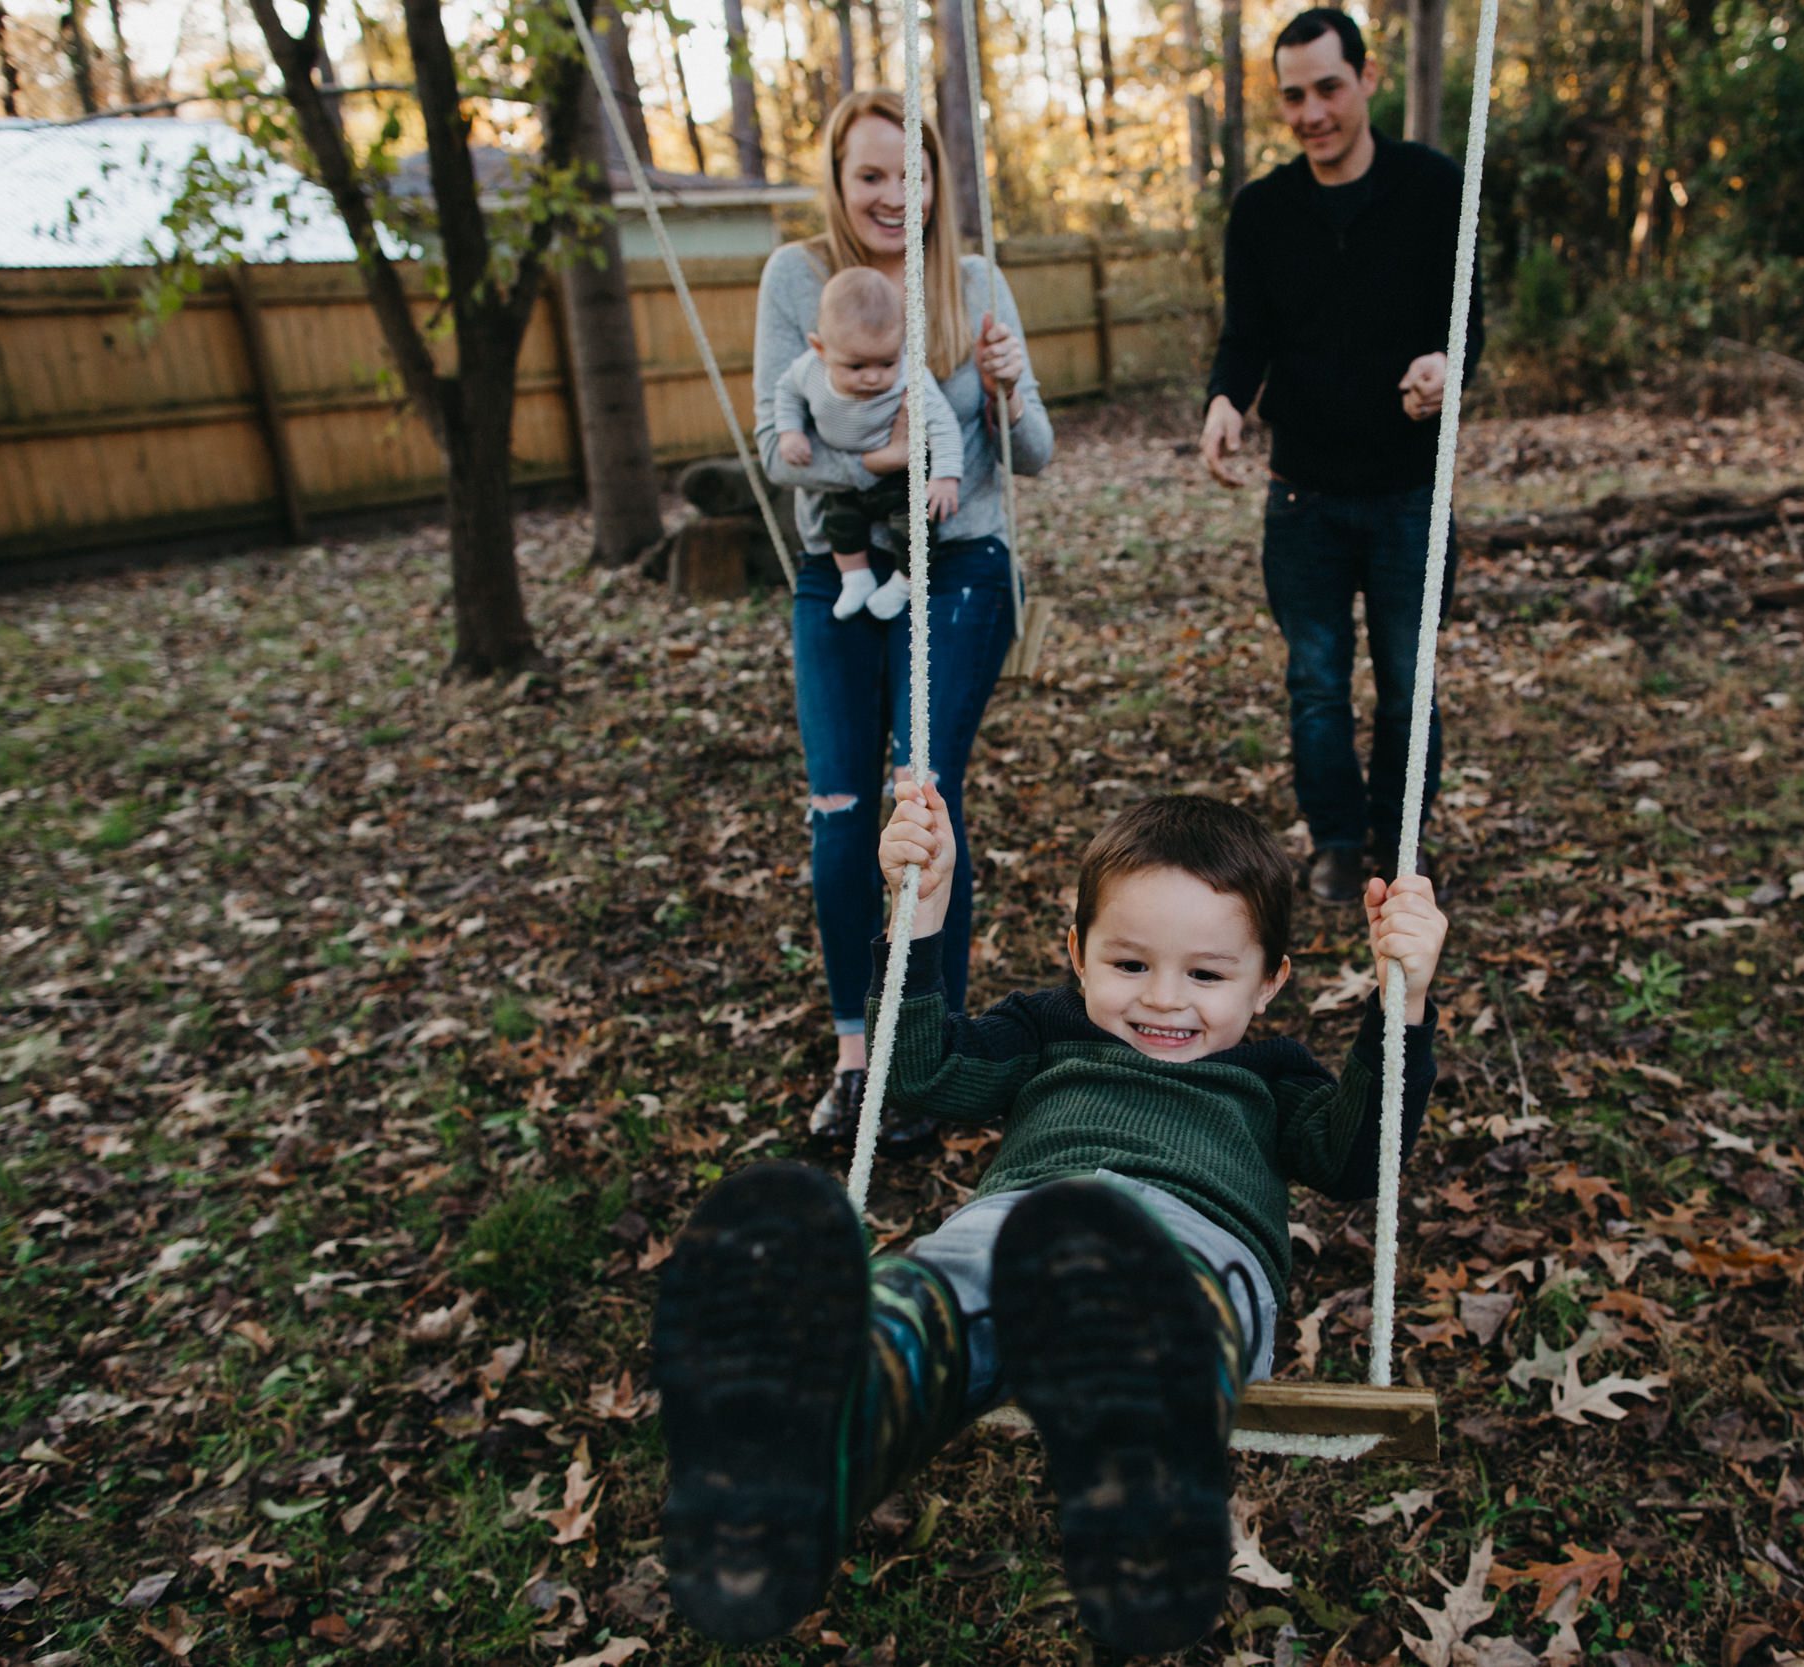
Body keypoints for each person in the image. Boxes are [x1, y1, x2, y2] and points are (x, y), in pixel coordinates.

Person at [653, 788, 1447, 1655]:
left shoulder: (1276, 1077)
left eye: (1209, 975)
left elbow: (1355, 1158)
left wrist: (1397, 1007)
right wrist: (920, 913)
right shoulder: (1046, 1029)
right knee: (959, 1274)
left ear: (1270, 984)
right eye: (1130, 964)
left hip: (1196, 1242)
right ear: (1078, 954)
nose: (1166, 1002)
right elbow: (917, 1072)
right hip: (1026, 1223)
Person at [745, 89, 1054, 1150]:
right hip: (840, 560)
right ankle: (855, 1053)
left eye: (910, 174)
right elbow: (775, 446)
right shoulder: (797, 278)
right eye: (870, 174)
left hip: (959, 552)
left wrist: (1008, 386)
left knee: (918, 790)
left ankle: (926, 1055)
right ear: (838, 182)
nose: (892, 195)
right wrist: (894, 457)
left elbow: (1035, 453)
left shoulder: (967, 282)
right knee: (838, 808)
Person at [1201, 6, 1484, 906]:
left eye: (1328, 87)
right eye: (1293, 96)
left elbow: (1465, 319)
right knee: (1316, 684)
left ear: (1367, 77)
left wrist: (1448, 366)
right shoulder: (1262, 212)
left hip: (1407, 492)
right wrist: (1223, 403)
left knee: (1407, 685)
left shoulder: (1434, 188)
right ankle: (1333, 840)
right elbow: (1245, 335)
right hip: (1304, 500)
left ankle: (1400, 842)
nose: (1312, 111)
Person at [773, 265, 966, 622]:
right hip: (846, 473)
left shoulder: (911, 377)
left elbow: (943, 425)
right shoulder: (806, 371)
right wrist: (790, 431)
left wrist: (945, 476)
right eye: (856, 366)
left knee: (916, 526)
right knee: (839, 522)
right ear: (820, 348)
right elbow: (784, 395)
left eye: (886, 362)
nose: (874, 376)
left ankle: (906, 582)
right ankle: (855, 577)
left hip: (903, 477)